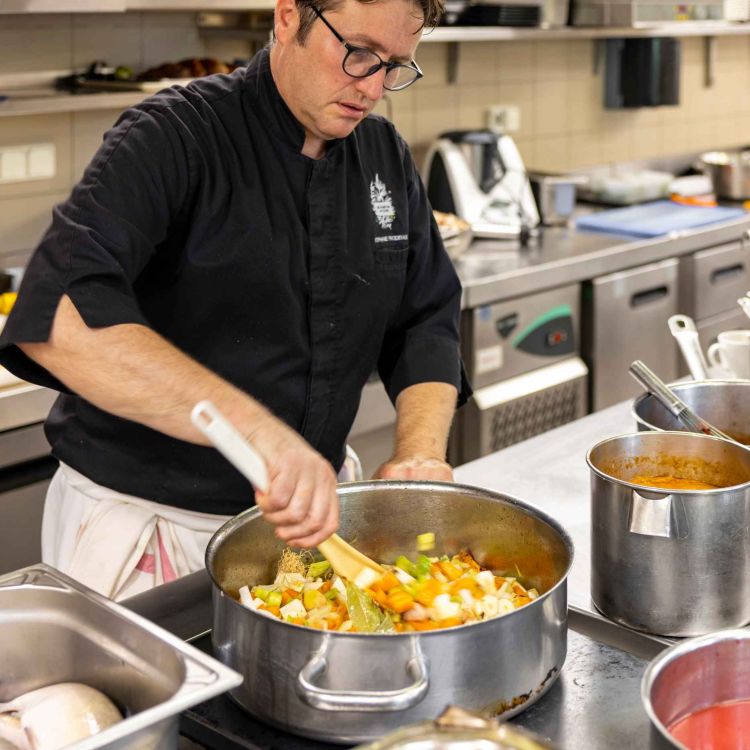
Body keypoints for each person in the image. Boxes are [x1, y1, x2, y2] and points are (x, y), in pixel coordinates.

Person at [0, 0, 470, 600]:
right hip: (150, 529)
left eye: (395, 65)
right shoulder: (172, 135)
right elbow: (58, 319)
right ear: (287, 17)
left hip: (310, 530)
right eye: (357, 53)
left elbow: (425, 318)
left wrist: (420, 457)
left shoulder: (383, 157)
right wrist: (257, 433)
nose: (373, 87)